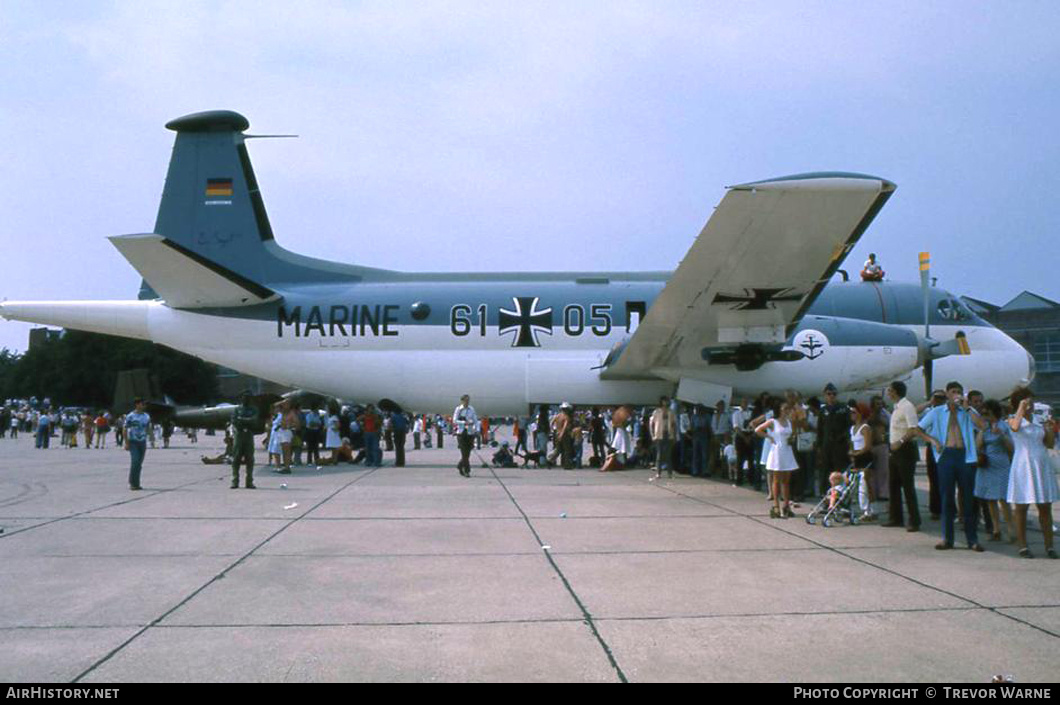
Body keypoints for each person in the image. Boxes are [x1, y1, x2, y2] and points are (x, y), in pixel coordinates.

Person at [912, 381, 986, 552]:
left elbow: (982, 425)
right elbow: (917, 429)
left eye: (959, 391)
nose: (957, 394)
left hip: (965, 456)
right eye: (953, 391)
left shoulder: (966, 412)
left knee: (969, 499)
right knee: (947, 498)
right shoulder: (937, 412)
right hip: (946, 455)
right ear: (947, 394)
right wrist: (932, 440)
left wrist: (967, 407)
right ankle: (947, 538)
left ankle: (972, 539)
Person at [1006, 387, 1058, 559]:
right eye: (1029, 401)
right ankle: (1023, 546)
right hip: (1023, 465)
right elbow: (1014, 428)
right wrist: (1020, 408)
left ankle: (1049, 546)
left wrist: (1050, 429)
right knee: (1021, 507)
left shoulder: (1038, 420)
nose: (1032, 404)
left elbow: (1049, 444)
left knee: (1045, 506)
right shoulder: (1014, 419)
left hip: (1040, 464)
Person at [884, 381, 922, 532]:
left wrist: (899, 442)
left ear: (895, 392)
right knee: (893, 485)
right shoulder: (896, 407)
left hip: (905, 449)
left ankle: (914, 520)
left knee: (907, 486)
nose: (888, 393)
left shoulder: (907, 407)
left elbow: (913, 429)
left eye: (890, 390)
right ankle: (896, 517)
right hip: (894, 450)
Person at [974, 399, 1014, 542]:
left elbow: (1011, 448)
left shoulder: (1004, 426)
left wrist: (1001, 435)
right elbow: (977, 446)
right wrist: (982, 432)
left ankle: (1010, 529)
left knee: (1003, 499)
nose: (985, 416)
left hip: (1001, 463)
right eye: (983, 413)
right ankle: (996, 528)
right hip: (987, 464)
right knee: (990, 499)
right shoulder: (984, 428)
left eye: (988, 413)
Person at [756, 402, 800, 518]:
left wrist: (792, 438)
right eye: (784, 409)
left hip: (787, 450)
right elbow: (758, 429)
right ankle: (776, 506)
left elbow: (793, 433)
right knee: (776, 479)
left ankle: (786, 505)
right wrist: (769, 437)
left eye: (788, 409)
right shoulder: (773, 422)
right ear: (779, 410)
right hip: (777, 451)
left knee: (786, 480)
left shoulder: (790, 423)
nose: (787, 411)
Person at [849, 402, 877, 522]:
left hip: (865, 457)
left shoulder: (865, 428)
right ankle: (864, 508)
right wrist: (852, 453)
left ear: (861, 414)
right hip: (857, 457)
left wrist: (856, 453)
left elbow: (867, 446)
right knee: (857, 484)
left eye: (854, 412)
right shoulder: (852, 428)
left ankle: (872, 510)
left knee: (867, 484)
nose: (852, 414)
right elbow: (852, 443)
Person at [230, 391, 259, 489]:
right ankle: (235, 480)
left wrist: (242, 419)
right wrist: (247, 420)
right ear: (241, 398)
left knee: (250, 458)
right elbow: (234, 421)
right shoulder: (237, 409)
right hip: (239, 434)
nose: (246, 399)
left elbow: (255, 421)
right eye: (244, 397)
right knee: (236, 458)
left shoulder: (254, 409)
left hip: (249, 435)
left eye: (248, 397)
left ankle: (249, 481)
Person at [124, 398, 151, 490]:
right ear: (137, 404)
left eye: (144, 404)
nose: (144, 406)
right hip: (133, 441)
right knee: (135, 461)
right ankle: (132, 483)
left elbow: (147, 427)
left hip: (142, 441)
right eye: (142, 404)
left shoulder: (146, 416)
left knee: (139, 463)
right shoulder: (130, 416)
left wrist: (150, 438)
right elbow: (125, 428)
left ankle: (137, 483)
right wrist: (126, 442)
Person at [650, 396, 677, 479]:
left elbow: (674, 424)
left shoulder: (671, 412)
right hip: (659, 434)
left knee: (668, 454)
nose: (665, 403)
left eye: (666, 401)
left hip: (668, 434)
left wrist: (675, 435)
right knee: (659, 454)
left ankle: (669, 473)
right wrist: (653, 435)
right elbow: (651, 424)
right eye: (664, 401)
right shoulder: (656, 412)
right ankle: (658, 473)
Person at [601, 406, 633, 472]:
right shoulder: (621, 420)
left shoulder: (615, 420)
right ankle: (623, 463)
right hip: (622, 434)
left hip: (620, 434)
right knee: (623, 449)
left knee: (621, 449)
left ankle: (622, 463)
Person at [453, 394, 478, 477]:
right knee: (464, 452)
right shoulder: (458, 409)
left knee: (468, 453)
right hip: (461, 432)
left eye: (468, 400)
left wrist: (477, 430)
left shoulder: (471, 409)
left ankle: (460, 465)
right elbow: (454, 420)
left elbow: (475, 420)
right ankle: (467, 471)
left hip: (470, 433)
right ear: (462, 401)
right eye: (466, 400)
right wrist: (464, 422)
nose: (467, 402)